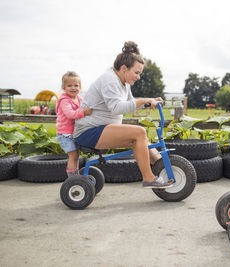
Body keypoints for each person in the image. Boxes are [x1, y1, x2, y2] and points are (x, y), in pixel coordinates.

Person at [74, 41, 172, 189]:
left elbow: (130, 102)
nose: (138, 77)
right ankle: (149, 178)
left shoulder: (123, 82)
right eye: (137, 73)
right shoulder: (109, 80)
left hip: (103, 128)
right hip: (89, 131)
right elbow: (116, 108)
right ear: (124, 68)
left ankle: (163, 168)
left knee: (142, 138)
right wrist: (143, 100)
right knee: (139, 132)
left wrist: (148, 102)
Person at [56, 71, 92, 177]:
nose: (73, 88)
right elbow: (70, 114)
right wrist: (84, 112)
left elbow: (86, 106)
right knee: (73, 156)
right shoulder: (64, 100)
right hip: (65, 134)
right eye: (69, 85)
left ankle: (75, 176)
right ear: (64, 87)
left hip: (74, 132)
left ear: (80, 87)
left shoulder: (79, 99)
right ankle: (72, 178)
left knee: (76, 155)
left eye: (76, 85)